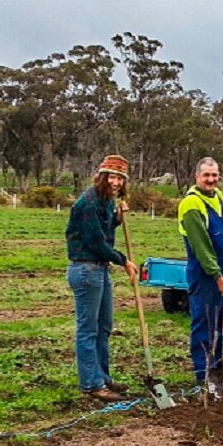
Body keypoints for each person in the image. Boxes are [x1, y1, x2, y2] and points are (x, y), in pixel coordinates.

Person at [65, 154, 138, 402]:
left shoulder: (106, 200)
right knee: (88, 329)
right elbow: (96, 242)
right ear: (102, 176)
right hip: (86, 269)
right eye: (112, 177)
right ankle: (92, 384)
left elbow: (104, 230)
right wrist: (124, 261)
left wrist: (117, 218)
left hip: (100, 268)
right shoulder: (88, 202)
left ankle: (103, 377)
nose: (116, 182)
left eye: (120, 178)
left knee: (104, 327)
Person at [177, 157, 223, 391]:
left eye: (215, 175)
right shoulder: (191, 204)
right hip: (205, 272)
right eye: (207, 176)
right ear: (197, 177)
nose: (211, 180)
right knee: (205, 322)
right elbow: (201, 246)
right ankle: (202, 373)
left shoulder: (218, 197)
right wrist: (216, 276)